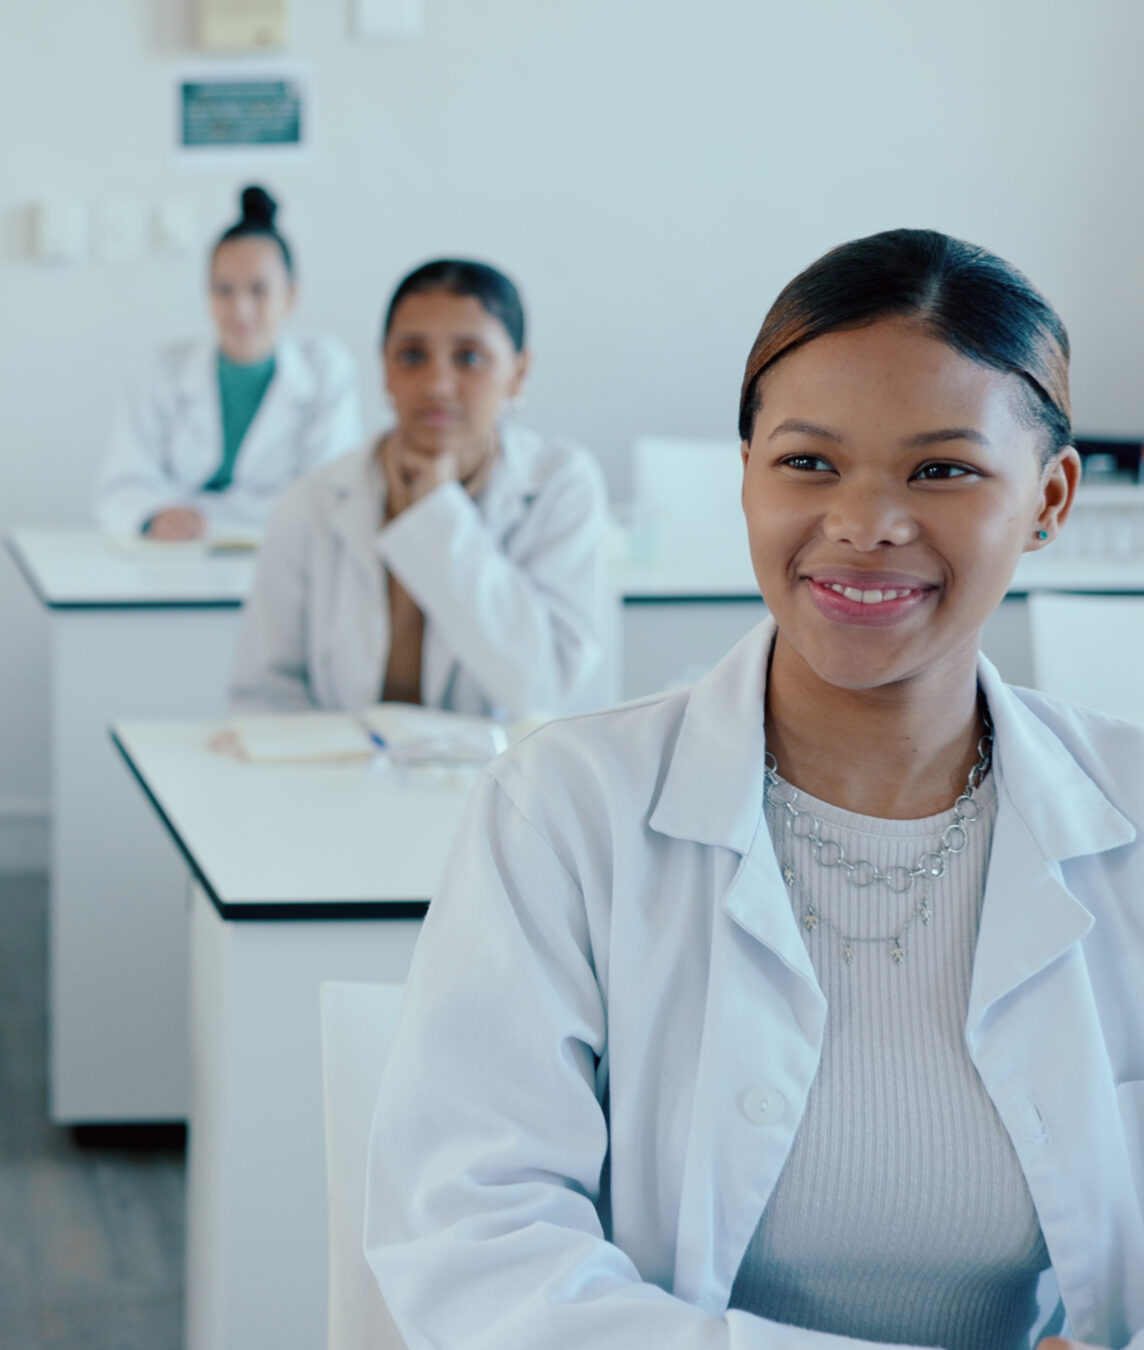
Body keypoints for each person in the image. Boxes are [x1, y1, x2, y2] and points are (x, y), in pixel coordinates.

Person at [366, 230, 1130, 1350]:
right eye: (808, 463)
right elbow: (475, 1245)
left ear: (1050, 498)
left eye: (943, 469)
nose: (864, 524)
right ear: (746, 480)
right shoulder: (565, 808)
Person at [227, 260, 608, 718]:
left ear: (518, 373)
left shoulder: (560, 485)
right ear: (384, 369)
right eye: (411, 356)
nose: (437, 385)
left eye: (469, 358)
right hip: (338, 783)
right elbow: (264, 694)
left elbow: (540, 686)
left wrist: (435, 511)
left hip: (503, 783)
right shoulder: (313, 501)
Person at [96, 185, 363, 542]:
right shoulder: (161, 369)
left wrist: (209, 517)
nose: (240, 309)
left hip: (287, 556)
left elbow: (332, 495)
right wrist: (154, 515)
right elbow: (122, 486)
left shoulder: (326, 370)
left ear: (291, 295)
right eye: (224, 290)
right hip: (175, 561)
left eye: (258, 290)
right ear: (207, 294)